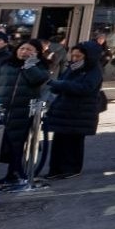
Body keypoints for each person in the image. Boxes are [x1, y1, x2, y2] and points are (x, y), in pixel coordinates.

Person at [0, 40, 50, 188]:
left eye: (28, 49)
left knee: (17, 144)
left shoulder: (40, 67)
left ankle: (15, 173)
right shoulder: (5, 64)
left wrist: (30, 66)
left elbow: (38, 80)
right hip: (1, 109)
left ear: (36, 53)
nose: (23, 52)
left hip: (23, 111)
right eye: (21, 48)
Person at [44, 43, 106, 180]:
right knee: (59, 141)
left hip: (80, 111)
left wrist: (61, 85)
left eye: (79, 56)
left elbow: (85, 87)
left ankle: (70, 169)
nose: (75, 58)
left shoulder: (94, 70)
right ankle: (55, 169)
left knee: (73, 142)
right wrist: (56, 86)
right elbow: (62, 82)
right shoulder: (72, 68)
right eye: (73, 55)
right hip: (64, 110)